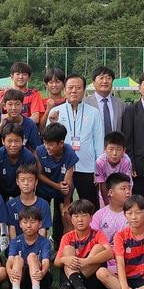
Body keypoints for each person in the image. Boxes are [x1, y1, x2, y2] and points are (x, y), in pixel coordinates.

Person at [46, 74, 102, 210]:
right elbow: (49, 139)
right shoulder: (55, 111)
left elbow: (99, 142)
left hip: (87, 166)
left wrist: (98, 169)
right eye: (70, 87)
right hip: (63, 166)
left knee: (89, 204)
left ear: (84, 90)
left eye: (78, 88)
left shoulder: (94, 112)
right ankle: (60, 226)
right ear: (64, 90)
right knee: (62, 206)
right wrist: (52, 122)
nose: (74, 91)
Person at [53, 199, 110, 289]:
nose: (80, 219)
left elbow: (110, 253)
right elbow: (56, 262)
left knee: (99, 248)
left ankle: (71, 287)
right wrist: (65, 259)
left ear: (91, 217)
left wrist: (87, 261)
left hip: (90, 279)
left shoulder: (98, 234)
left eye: (84, 215)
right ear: (71, 219)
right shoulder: (67, 237)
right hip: (70, 275)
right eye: (76, 216)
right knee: (68, 249)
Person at [6, 207, 53, 289]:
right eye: (25, 222)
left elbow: (46, 262)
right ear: (20, 224)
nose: (28, 225)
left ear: (40, 224)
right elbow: (10, 261)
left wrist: (42, 273)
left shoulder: (45, 242)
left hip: (40, 279)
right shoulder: (15, 241)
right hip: (20, 279)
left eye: (32, 222)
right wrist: (9, 271)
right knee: (17, 258)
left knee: (32, 256)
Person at [94, 131, 135, 204]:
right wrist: (107, 204)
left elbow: (126, 183)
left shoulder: (126, 161)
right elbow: (102, 184)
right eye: (111, 149)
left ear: (124, 151)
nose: (114, 153)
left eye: (118, 149)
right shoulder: (99, 162)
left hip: (123, 191)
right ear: (105, 149)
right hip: (106, 192)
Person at [90, 66, 128, 137]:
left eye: (108, 78)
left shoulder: (121, 104)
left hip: (115, 143)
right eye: (101, 78)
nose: (105, 81)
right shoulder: (85, 103)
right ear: (93, 82)